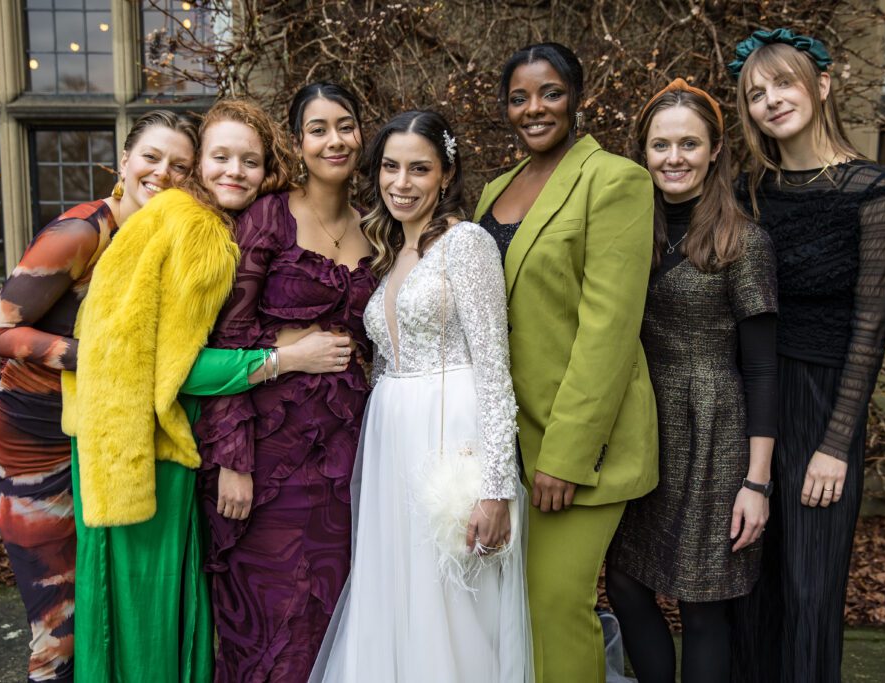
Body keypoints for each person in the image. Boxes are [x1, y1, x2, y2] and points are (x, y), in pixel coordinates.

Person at [61, 98, 295, 682]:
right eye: (220, 158)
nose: (233, 172)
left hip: (119, 436)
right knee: (149, 616)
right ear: (198, 168)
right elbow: (174, 368)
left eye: (250, 161)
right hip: (146, 446)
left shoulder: (171, 218)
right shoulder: (198, 233)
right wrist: (282, 359)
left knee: (126, 609)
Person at [309, 109, 531, 683]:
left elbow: (494, 369)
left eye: (418, 169)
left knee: (454, 599)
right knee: (398, 586)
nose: (401, 182)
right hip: (393, 441)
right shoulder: (391, 253)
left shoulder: (468, 245)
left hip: (448, 433)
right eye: (389, 167)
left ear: (446, 173)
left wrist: (495, 488)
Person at [0, 109, 197, 682]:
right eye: (151, 157)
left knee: (96, 601)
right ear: (124, 161)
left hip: (96, 440)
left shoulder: (152, 238)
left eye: (180, 165)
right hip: (33, 443)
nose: (162, 172)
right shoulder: (82, 233)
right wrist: (96, 358)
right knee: (59, 624)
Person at [727, 28, 885, 683]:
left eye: (783, 83)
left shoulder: (875, 192)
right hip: (750, 402)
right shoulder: (748, 189)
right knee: (749, 590)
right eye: (756, 94)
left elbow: (870, 329)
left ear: (823, 85)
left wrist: (835, 443)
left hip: (823, 403)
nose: (771, 101)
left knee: (810, 591)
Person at [472, 42, 658, 682]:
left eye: (549, 92)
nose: (534, 108)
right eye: (519, 97)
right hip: (505, 442)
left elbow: (609, 330)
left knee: (556, 604)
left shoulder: (616, 181)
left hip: (576, 448)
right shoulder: (494, 191)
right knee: (512, 610)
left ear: (577, 97)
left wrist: (566, 454)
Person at [192, 83, 376, 681]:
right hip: (270, 455)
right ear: (298, 142)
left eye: (344, 125)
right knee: (271, 614)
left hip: (347, 454)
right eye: (318, 128)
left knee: (330, 609)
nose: (334, 139)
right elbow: (225, 338)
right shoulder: (268, 216)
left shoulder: (376, 224)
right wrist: (234, 460)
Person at [604, 78, 778, 683]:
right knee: (626, 581)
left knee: (704, 602)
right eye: (660, 145)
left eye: (688, 144)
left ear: (713, 150)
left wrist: (757, 482)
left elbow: (760, 367)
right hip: (642, 427)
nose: (673, 158)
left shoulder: (742, 243)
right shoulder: (626, 236)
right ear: (642, 152)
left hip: (713, 430)